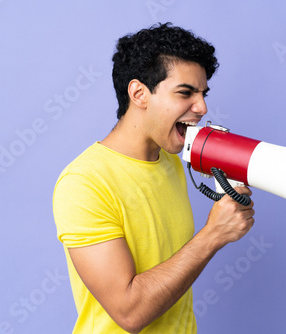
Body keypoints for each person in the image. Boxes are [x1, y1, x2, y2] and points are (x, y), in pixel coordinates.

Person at [53, 22, 255, 334]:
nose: (202, 107)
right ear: (139, 93)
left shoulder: (171, 160)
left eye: (202, 94)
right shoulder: (84, 183)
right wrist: (214, 234)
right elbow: (130, 312)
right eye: (185, 92)